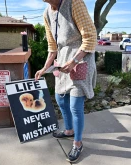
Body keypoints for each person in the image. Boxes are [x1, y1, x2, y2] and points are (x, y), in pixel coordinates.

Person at [35, 0, 97, 162]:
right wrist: (44, 68)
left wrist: (74, 61)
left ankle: (77, 143)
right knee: (60, 99)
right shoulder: (47, 13)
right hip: (62, 63)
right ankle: (69, 130)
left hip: (80, 61)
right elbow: (52, 46)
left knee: (75, 106)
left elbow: (90, 37)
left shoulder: (74, 3)